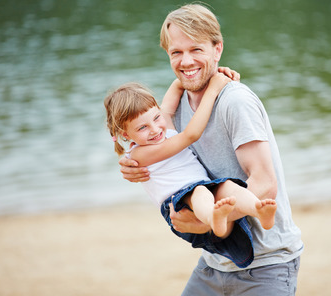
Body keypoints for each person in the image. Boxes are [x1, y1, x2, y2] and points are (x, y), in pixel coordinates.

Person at [119, 3, 304, 296]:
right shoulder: (171, 110)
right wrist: (131, 164)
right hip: (213, 264)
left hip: (267, 264)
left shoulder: (235, 102)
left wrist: (205, 223)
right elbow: (148, 143)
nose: (186, 61)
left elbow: (265, 183)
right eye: (176, 52)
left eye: (196, 50)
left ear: (217, 50)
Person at [104, 71, 277, 268]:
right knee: (200, 192)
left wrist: (211, 72)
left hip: (203, 187)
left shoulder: (164, 128)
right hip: (176, 201)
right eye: (142, 128)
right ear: (125, 134)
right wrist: (212, 89)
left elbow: (177, 86)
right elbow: (191, 134)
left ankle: (257, 209)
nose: (154, 129)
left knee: (229, 188)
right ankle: (213, 217)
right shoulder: (138, 155)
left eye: (156, 117)